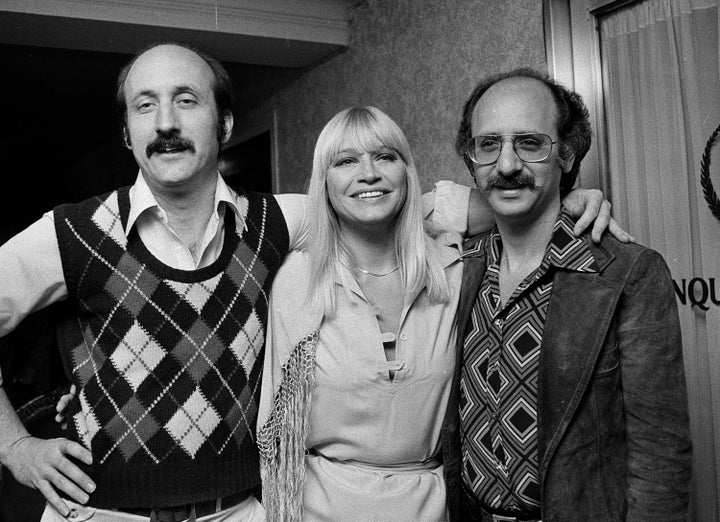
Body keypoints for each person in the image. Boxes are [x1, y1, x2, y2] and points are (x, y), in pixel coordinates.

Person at [254, 107, 630, 522]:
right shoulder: (295, 280)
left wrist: (565, 201)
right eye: (345, 161)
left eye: (385, 156)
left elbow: (510, 211)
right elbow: (275, 431)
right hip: (320, 508)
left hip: (435, 507)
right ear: (322, 182)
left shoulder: (456, 268)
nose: (368, 174)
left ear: (407, 171)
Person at [0, 41, 312, 521]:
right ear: (127, 133)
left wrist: (470, 207)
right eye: (145, 105)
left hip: (237, 512)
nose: (166, 123)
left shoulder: (278, 221)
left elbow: (394, 212)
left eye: (186, 100)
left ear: (224, 123)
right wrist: (16, 446)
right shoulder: (75, 233)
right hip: (101, 515)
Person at [442, 69, 692, 522]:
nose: (507, 165)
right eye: (488, 144)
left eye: (531, 143)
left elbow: (660, 453)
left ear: (568, 153)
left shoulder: (627, 273)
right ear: (471, 159)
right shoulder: (460, 267)